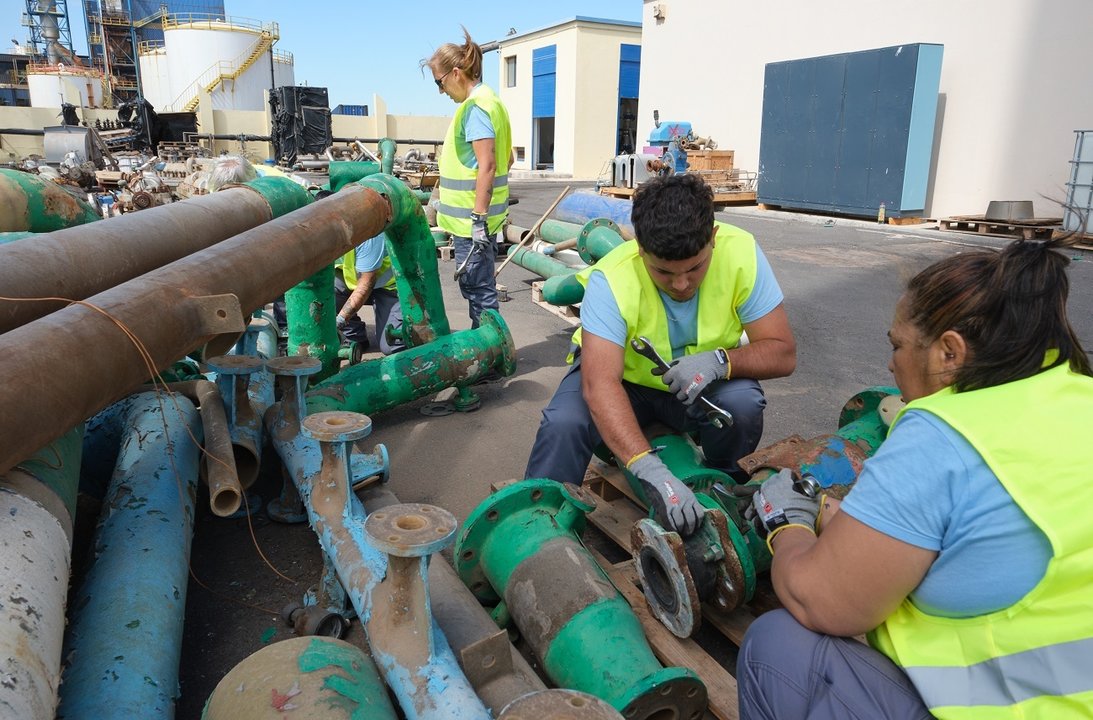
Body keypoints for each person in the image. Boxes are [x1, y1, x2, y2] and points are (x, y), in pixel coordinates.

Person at [737, 235, 1093, 720]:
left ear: (950, 353)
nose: (890, 363)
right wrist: (832, 515)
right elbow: (981, 536)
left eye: (898, 345)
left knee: (776, 648)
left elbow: (820, 601)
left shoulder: (942, 435)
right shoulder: (1075, 394)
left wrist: (786, 526)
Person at [524, 174, 797, 536]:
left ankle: (722, 486)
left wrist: (720, 363)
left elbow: (783, 352)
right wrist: (650, 471)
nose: (681, 284)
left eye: (695, 268)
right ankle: (537, 527)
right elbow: (600, 384)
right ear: (640, 249)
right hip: (624, 386)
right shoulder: (612, 278)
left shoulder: (741, 253)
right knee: (565, 424)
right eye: (664, 272)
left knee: (742, 403)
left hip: (696, 387)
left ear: (713, 238)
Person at [424, 28, 512, 329]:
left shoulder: (475, 109)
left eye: (440, 82)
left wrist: (477, 218)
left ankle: (491, 352)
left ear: (456, 73)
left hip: (473, 223)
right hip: (481, 221)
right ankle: (487, 346)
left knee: (478, 289)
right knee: (478, 287)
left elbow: (488, 164)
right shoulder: (491, 101)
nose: (441, 90)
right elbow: (507, 158)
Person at [335, 232, 404, 355]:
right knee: (326, 288)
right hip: (357, 280)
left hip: (391, 286)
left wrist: (339, 321)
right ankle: (353, 336)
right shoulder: (322, 230)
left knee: (392, 345)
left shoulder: (369, 234)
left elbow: (366, 284)